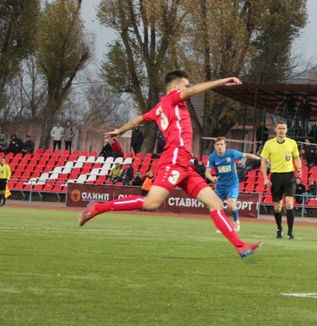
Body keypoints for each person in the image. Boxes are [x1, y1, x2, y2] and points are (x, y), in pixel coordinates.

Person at [77, 71, 261, 258]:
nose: (188, 89)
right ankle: (96, 208)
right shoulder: (172, 98)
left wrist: (119, 130)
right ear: (176, 86)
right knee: (151, 203)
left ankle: (240, 246)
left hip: (185, 164)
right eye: (186, 85)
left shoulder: (159, 108)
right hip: (174, 160)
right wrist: (223, 81)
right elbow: (195, 90)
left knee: (215, 203)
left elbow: (138, 119)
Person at [206, 137, 261, 234]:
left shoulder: (232, 153)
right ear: (215, 146)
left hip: (232, 184)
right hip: (220, 186)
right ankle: (223, 226)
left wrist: (261, 159)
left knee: (231, 205)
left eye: (221, 144)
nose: (220, 146)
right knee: (215, 206)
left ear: (225, 145)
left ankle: (236, 223)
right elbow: (207, 173)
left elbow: (247, 155)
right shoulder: (212, 157)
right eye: (217, 144)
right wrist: (212, 178)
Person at [260, 122, 303, 240]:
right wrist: (265, 178)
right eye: (279, 128)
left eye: (283, 128)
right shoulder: (269, 144)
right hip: (276, 177)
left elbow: (296, 157)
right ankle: (279, 228)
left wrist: (299, 169)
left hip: (289, 176)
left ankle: (290, 232)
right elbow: (263, 161)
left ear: (286, 130)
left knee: (289, 203)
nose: (281, 130)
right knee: (277, 207)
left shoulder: (292, 143)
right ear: (275, 130)